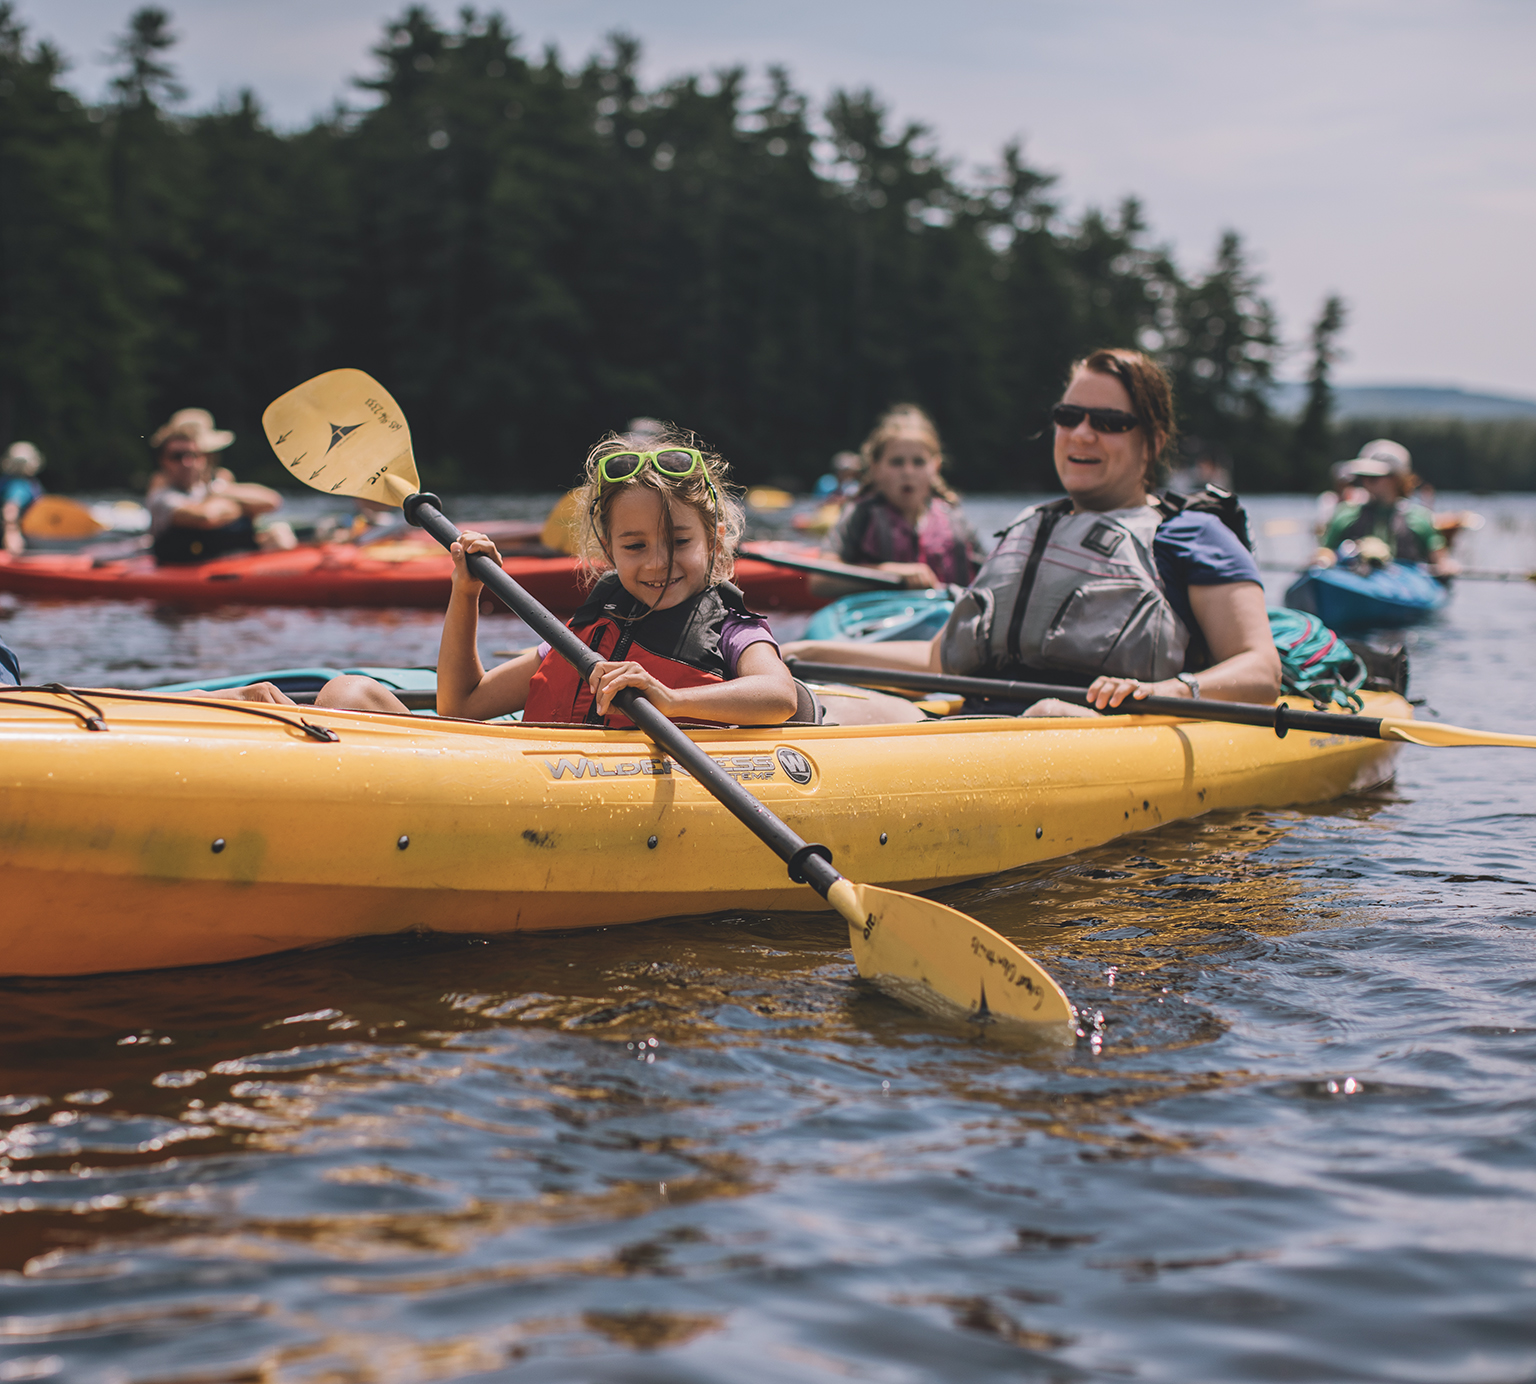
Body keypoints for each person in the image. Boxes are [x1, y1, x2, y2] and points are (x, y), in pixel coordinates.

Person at [786, 348, 1281, 716]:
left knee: (1048, 713)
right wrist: (804, 654)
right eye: (1069, 417)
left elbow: (1260, 670)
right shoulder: (1030, 528)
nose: (1081, 433)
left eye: (1108, 422)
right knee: (827, 705)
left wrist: (1171, 690)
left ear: (1151, 441)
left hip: (1092, 726)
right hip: (984, 719)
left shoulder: (1192, 536)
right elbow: (941, 660)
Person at [816, 405, 982, 595]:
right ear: (875, 467)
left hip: (948, 618)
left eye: (918, 462)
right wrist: (890, 572)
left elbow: (993, 574)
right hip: (878, 618)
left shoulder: (955, 519)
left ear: (935, 467)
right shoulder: (860, 515)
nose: (908, 472)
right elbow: (819, 581)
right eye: (897, 462)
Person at [146, 409, 295, 564]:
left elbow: (272, 501)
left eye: (193, 455)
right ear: (163, 460)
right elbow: (207, 517)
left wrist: (221, 495)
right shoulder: (161, 489)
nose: (186, 463)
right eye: (177, 456)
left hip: (225, 562)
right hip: (184, 567)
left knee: (280, 534)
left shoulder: (217, 481)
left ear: (202, 457)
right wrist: (240, 507)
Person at [1314, 439, 1452, 575]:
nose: (1366, 482)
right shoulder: (1345, 514)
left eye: (1373, 477)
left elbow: (1440, 559)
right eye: (1362, 476)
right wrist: (1324, 560)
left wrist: (1445, 567)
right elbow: (1326, 551)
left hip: (1405, 588)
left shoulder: (1419, 518)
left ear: (1397, 479)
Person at [2, 442, 45, 555]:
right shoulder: (19, 486)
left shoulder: (9, 482)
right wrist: (12, 536)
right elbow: (11, 510)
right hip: (16, 537)